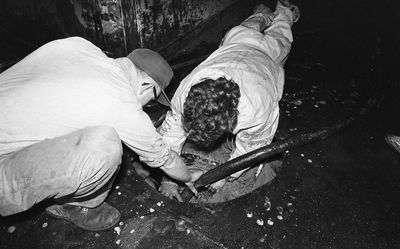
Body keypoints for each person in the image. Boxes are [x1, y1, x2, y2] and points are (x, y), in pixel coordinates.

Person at [0, 37, 202, 231]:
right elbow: (165, 159)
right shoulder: (119, 99)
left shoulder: (80, 45)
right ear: (146, 86)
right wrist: (189, 176)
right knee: (104, 145)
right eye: (151, 99)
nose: (148, 105)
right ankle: (76, 206)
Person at [158, 0, 300, 202]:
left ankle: (285, 11)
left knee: (280, 33)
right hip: (235, 42)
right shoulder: (186, 92)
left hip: (269, 53)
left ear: (231, 122)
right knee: (248, 28)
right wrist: (169, 178)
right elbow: (170, 135)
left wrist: (226, 175)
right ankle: (263, 15)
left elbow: (250, 150)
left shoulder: (256, 110)